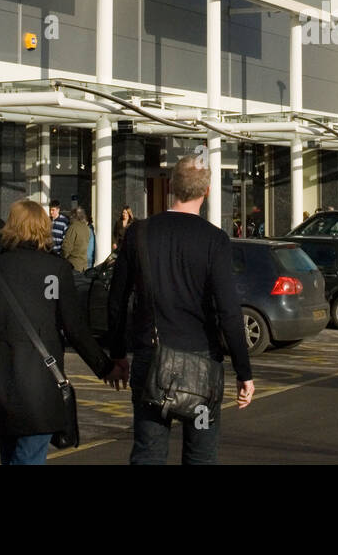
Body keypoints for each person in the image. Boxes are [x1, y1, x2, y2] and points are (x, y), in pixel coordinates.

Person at [0, 199, 124, 465]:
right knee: (29, 458)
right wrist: (105, 368)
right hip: (42, 384)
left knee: (10, 458)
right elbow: (75, 329)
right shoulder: (56, 270)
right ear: (43, 228)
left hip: (0, 384)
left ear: (12, 227)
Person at [106, 155, 254, 465]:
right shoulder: (215, 240)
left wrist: (118, 354)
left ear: (171, 185)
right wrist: (244, 372)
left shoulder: (139, 232)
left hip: (151, 361)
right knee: (200, 454)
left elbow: (117, 299)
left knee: (149, 452)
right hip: (201, 364)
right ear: (208, 191)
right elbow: (229, 311)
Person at [61, 207, 92, 273]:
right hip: (83, 264)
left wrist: (63, 258)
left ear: (73, 216)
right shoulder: (87, 228)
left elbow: (66, 247)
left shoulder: (73, 227)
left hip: (73, 264)